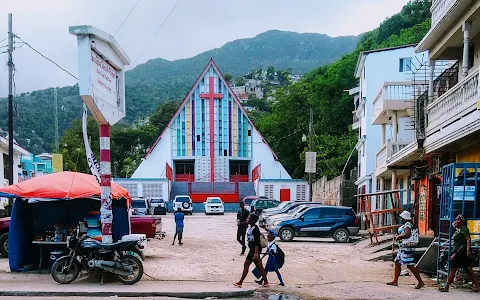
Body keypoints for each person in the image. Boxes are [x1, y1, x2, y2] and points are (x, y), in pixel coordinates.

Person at [438, 214, 479, 292]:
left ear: (462, 222)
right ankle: (477, 285)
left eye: (458, 219)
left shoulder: (464, 229)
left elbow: (468, 240)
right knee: (468, 269)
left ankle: (446, 287)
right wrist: (456, 227)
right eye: (456, 219)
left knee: (453, 269)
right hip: (458, 252)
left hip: (461, 252)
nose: (456, 221)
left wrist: (468, 251)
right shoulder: (459, 230)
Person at [386, 211, 425, 289]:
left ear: (404, 218)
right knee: (397, 262)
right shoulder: (407, 224)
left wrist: (399, 237)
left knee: (410, 265)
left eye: (401, 218)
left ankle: (420, 282)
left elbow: (407, 234)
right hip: (403, 247)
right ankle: (395, 281)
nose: (400, 219)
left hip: (407, 248)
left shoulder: (407, 224)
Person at [233, 214, 269, 288]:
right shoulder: (252, 227)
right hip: (253, 249)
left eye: (249, 218)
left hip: (254, 250)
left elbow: (257, 242)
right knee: (260, 267)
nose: (247, 219)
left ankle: (240, 282)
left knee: (246, 264)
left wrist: (256, 253)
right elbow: (245, 222)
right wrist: (241, 223)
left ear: (252, 220)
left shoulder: (255, 229)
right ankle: (266, 282)